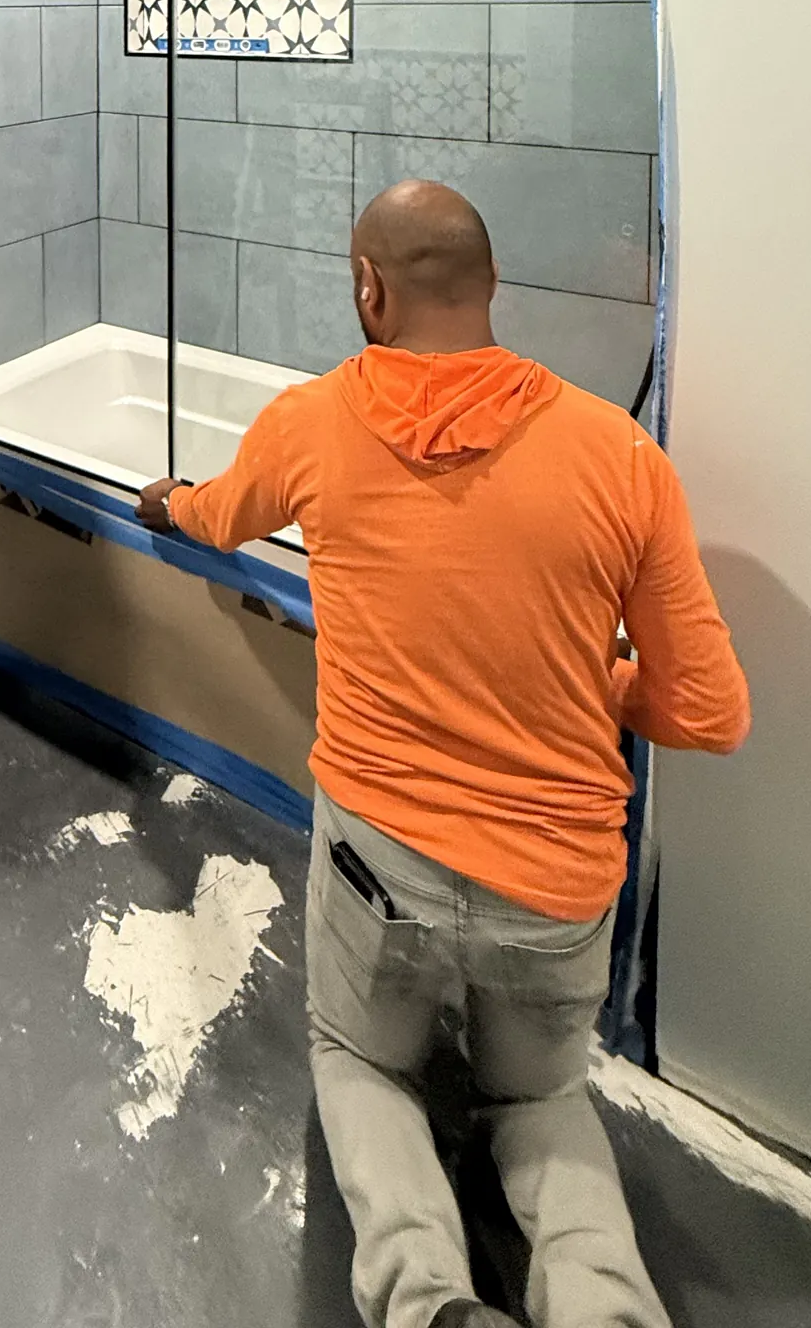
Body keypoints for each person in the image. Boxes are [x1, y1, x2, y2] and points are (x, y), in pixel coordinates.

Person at [138, 179, 748, 1328]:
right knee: (541, 1096)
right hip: (555, 891)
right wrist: (596, 675)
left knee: (359, 1062)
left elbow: (218, 515)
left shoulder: (314, 421)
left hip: (382, 868)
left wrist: (168, 502)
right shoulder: (619, 455)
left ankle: (429, 1305)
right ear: (491, 287)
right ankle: (609, 1311)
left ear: (368, 288)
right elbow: (710, 710)